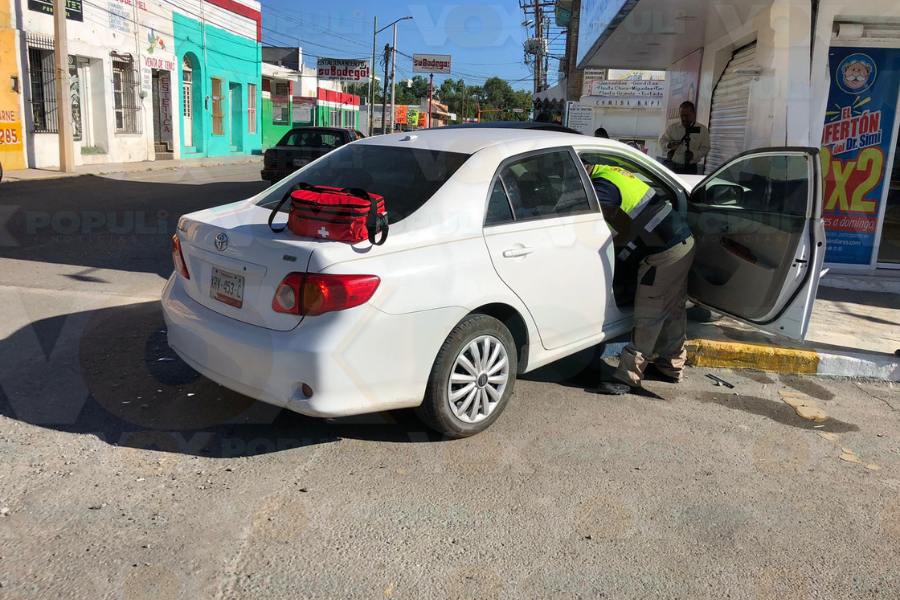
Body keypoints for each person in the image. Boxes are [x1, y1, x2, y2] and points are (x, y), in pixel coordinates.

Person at [584, 162, 696, 394]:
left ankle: (627, 376)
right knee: (673, 308)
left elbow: (603, 221)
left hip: (663, 253)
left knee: (650, 313)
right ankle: (671, 365)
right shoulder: (610, 170)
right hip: (681, 242)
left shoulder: (602, 186)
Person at [659, 101, 710, 175]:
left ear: (693, 114)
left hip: (690, 169)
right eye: (682, 115)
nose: (684, 118)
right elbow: (662, 141)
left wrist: (694, 154)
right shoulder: (672, 128)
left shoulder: (702, 130)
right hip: (672, 167)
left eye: (687, 115)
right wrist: (668, 145)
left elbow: (706, 148)